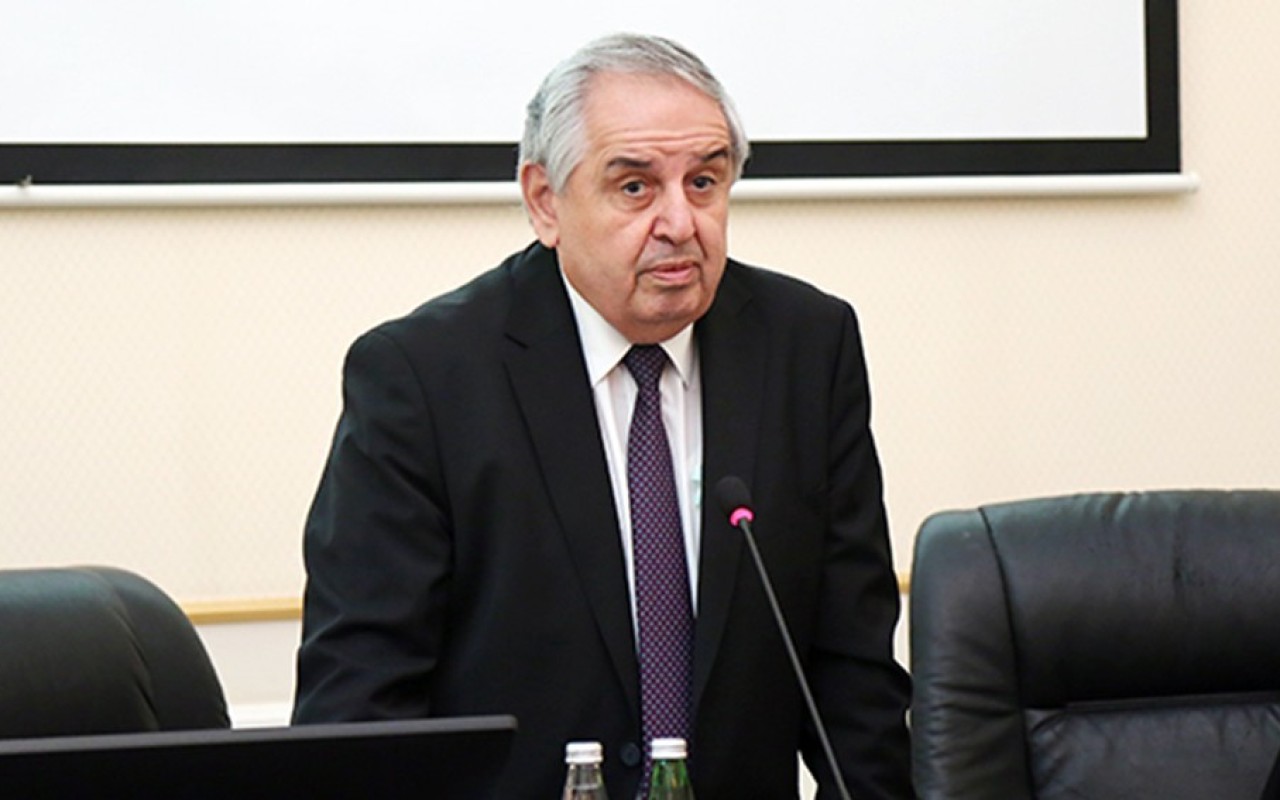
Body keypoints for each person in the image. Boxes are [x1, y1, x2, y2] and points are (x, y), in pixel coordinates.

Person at [292, 32, 913, 799]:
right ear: (544, 202)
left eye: (705, 182)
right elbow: (360, 710)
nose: (681, 222)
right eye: (635, 188)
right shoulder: (424, 378)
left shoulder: (806, 347)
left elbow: (854, 675)